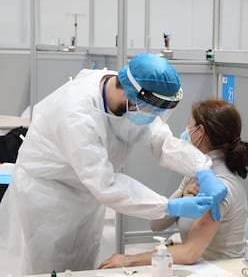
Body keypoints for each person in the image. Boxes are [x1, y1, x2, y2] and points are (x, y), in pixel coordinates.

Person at [0, 54, 227, 275]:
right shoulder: (76, 116)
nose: (152, 117)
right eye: (152, 110)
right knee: (46, 268)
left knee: (83, 265)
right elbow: (106, 184)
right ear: (131, 97)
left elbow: (162, 141)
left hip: (86, 195)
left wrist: (203, 169)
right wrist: (168, 206)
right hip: (47, 198)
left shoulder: (128, 93)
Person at [97, 98, 248, 268]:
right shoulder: (198, 174)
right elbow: (156, 224)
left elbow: (189, 253)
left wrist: (127, 260)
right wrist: (181, 196)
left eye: (189, 125)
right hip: (198, 268)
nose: (186, 131)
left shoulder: (219, 187)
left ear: (199, 132)